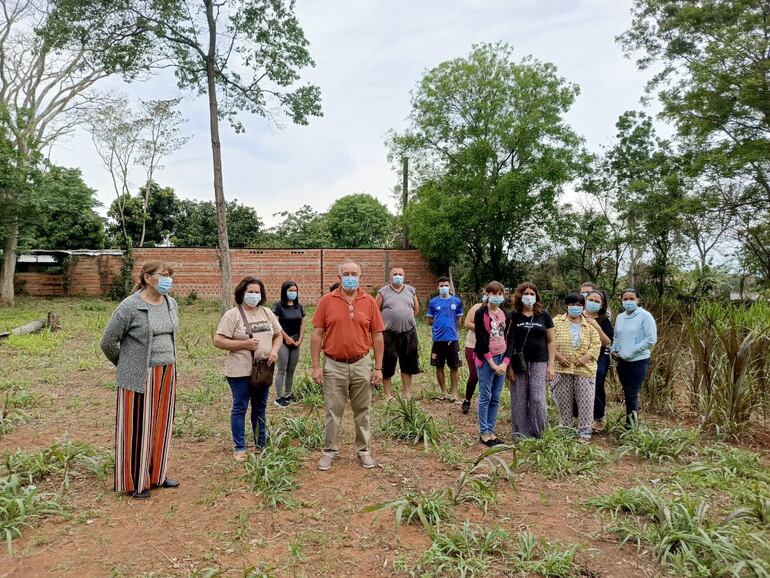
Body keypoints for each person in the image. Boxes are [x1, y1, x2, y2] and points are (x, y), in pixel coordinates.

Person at [100, 261, 180, 499]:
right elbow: (107, 342)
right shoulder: (130, 306)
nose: (168, 279)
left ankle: (157, 474)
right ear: (147, 277)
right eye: (163, 275)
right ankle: (136, 481)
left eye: (170, 275)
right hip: (139, 376)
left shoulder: (171, 303)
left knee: (161, 425)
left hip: (167, 373)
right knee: (137, 427)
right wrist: (126, 364)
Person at [311, 261, 384, 471]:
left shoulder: (369, 301)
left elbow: (377, 336)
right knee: (333, 410)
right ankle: (329, 451)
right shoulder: (326, 301)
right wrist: (316, 366)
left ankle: (364, 451)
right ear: (339, 276)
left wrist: (378, 367)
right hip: (334, 365)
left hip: (362, 363)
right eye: (346, 273)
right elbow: (317, 335)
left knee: (363, 410)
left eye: (354, 273)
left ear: (360, 276)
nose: (350, 277)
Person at [213, 277, 282, 461]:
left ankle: (261, 444)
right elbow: (218, 340)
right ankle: (240, 446)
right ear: (242, 293)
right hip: (240, 371)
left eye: (257, 292)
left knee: (260, 407)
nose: (254, 295)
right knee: (240, 407)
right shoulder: (232, 315)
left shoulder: (267, 313)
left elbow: (278, 335)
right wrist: (244, 344)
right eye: (250, 292)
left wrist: (274, 351)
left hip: (263, 369)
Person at [507, 282, 555, 439]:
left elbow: (550, 341)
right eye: (526, 294)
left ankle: (539, 432)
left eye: (532, 294)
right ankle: (521, 434)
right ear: (519, 296)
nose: (529, 297)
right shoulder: (512, 316)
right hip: (518, 362)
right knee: (519, 398)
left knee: (537, 398)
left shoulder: (544, 315)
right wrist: (509, 368)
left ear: (536, 297)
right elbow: (508, 342)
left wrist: (551, 365)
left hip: (539, 361)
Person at [551, 294, 601, 442]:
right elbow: (548, 342)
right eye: (573, 304)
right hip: (562, 368)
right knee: (563, 400)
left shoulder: (589, 324)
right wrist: (559, 357)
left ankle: (585, 430)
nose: (576, 307)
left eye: (579, 304)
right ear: (566, 305)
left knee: (586, 400)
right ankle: (566, 427)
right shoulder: (556, 322)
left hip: (584, 369)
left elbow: (597, 344)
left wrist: (585, 358)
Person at [611, 288, 657, 426]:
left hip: (638, 361)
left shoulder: (645, 316)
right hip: (622, 361)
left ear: (638, 300)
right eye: (625, 299)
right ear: (621, 300)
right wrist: (614, 349)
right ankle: (630, 422)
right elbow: (616, 336)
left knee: (631, 394)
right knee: (627, 393)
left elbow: (650, 339)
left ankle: (631, 426)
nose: (628, 301)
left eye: (632, 299)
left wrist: (631, 352)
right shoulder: (620, 317)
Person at [473, 281, 512, 446]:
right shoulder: (481, 312)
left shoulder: (506, 314)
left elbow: (510, 339)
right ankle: (484, 433)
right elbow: (481, 340)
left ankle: (492, 431)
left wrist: (504, 363)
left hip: (501, 358)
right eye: (493, 293)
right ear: (487, 293)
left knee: (496, 397)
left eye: (500, 294)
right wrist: (492, 363)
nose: (497, 297)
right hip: (486, 359)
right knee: (485, 396)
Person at [375, 267, 420, 400]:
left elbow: (415, 309)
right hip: (389, 334)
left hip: (409, 333)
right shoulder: (383, 292)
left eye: (400, 274)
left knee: (408, 364)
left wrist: (406, 318)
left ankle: (406, 393)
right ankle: (388, 394)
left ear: (404, 276)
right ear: (390, 276)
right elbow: (375, 311)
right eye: (395, 274)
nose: (398, 276)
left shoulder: (411, 290)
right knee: (388, 364)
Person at [426, 276, 463, 401]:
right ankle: (443, 391)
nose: (444, 288)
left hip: (452, 339)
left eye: (446, 285)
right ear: (438, 287)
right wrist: (439, 326)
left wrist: (451, 328)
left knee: (454, 366)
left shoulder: (456, 301)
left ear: (450, 287)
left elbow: (459, 320)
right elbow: (429, 320)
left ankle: (454, 392)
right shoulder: (433, 302)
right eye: (441, 286)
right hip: (438, 339)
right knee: (439, 366)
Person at [272, 281, 306, 407]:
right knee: (282, 369)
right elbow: (276, 324)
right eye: (290, 290)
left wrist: (300, 339)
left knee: (291, 370)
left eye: (295, 290)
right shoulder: (278, 306)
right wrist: (286, 338)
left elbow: (303, 323)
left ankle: (288, 394)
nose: (293, 293)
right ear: (284, 291)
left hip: (296, 341)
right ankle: (279, 397)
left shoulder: (299, 306)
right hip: (282, 341)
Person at [584, 290, 613, 432]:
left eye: (597, 301)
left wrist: (597, 327)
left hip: (599, 358)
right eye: (591, 300)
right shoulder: (576, 315)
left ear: (602, 304)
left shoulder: (604, 320)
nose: (593, 303)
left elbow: (607, 342)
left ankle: (599, 417)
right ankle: (582, 418)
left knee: (594, 387)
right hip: (578, 358)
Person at [461, 292, 487, 414]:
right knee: (475, 374)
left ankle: (484, 404)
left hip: (490, 348)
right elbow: (467, 323)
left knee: (486, 377)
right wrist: (483, 328)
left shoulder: (499, 311)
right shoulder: (477, 307)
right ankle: (467, 400)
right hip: (472, 345)